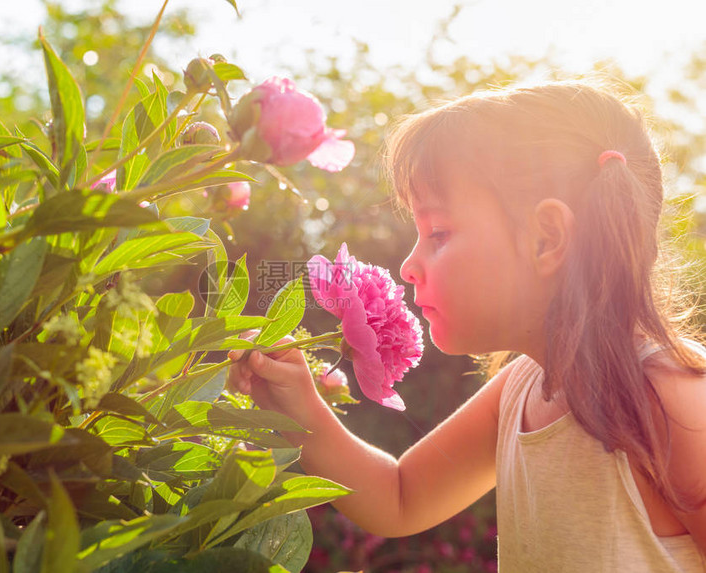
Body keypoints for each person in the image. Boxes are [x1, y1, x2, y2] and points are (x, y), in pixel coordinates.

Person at [227, 81, 706, 571]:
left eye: (438, 233)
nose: (409, 264)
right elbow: (399, 497)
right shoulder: (521, 388)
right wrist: (299, 404)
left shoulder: (675, 402)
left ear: (546, 239)